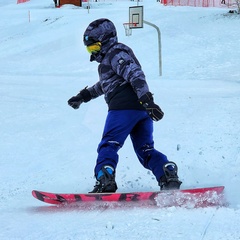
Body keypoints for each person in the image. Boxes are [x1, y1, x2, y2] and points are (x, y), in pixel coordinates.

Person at [68, 18, 182, 193]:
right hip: (140, 110)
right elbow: (105, 85)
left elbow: (135, 74)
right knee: (146, 150)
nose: (93, 52)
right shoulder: (110, 58)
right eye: (89, 49)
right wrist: (83, 96)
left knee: (109, 144)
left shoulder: (116, 53)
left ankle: (105, 178)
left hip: (124, 108)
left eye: (95, 47)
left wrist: (147, 100)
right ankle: (166, 174)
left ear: (106, 40)